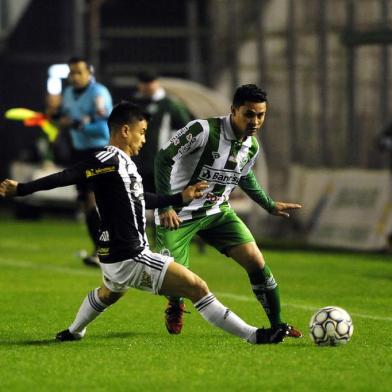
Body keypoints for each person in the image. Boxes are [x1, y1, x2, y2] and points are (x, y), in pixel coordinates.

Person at [0, 102, 297, 345]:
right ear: (125, 131)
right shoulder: (108, 160)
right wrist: (22, 189)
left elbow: (142, 200)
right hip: (130, 255)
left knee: (108, 293)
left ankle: (74, 331)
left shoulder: (125, 164)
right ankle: (255, 336)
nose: (144, 140)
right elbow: (68, 175)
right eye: (142, 133)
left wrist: (179, 197)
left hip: (113, 255)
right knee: (197, 286)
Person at [154, 84, 303, 337]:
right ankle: (176, 304)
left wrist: (268, 204)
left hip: (218, 212)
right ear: (233, 111)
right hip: (179, 214)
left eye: (260, 115)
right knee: (174, 276)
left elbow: (244, 176)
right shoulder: (202, 130)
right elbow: (163, 158)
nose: (255, 121)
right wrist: (166, 205)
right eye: (249, 114)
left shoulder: (251, 146)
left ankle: (278, 324)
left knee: (256, 261)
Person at [54, 56, 113, 267]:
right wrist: (57, 116)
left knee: (94, 201)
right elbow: (66, 117)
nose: (75, 77)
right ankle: (99, 250)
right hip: (79, 152)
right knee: (87, 203)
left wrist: (76, 124)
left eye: (79, 72)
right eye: (72, 73)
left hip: (99, 151)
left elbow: (103, 127)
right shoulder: (68, 94)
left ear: (90, 73)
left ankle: (104, 251)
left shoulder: (99, 93)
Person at [131, 70, 192, 192]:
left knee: (162, 199)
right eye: (144, 83)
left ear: (157, 83)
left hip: (162, 161)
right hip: (138, 161)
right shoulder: (134, 104)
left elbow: (187, 129)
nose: (147, 86)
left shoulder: (170, 105)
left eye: (150, 82)